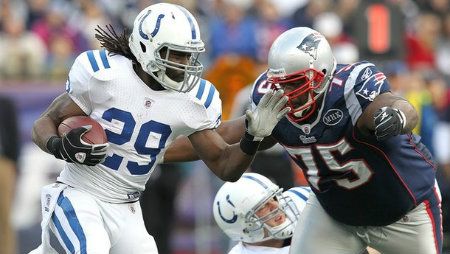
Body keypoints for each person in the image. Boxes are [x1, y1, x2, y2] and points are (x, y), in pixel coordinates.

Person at [30, 3, 288, 254]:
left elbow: (224, 165)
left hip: (127, 208)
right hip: (79, 195)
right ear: (146, 47)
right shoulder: (104, 75)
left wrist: (255, 136)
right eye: (176, 53)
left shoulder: (192, 100)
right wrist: (59, 145)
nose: (185, 63)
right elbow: (46, 122)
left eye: (189, 54)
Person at [164, 27, 442, 254]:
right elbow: (221, 137)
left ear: (322, 74)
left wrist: (395, 116)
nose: (286, 92)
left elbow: (397, 105)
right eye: (280, 84)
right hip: (334, 214)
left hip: (404, 211)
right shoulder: (275, 104)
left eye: (295, 83)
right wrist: (156, 151)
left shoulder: (349, 90)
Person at [213, 172, 310, 254]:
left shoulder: (301, 201)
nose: (276, 206)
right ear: (246, 228)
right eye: (262, 207)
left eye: (274, 198)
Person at [0, 96, 20, 254]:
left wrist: (13, 164)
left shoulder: (5, 103)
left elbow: (13, 136)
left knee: (4, 216)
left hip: (3, 163)